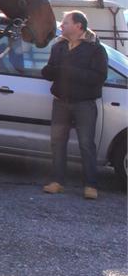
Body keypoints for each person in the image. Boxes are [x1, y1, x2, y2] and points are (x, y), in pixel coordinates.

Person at [41, 11, 107, 200]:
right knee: (57, 143)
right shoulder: (58, 46)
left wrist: (70, 71)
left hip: (84, 103)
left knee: (86, 144)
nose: (61, 26)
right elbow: (51, 70)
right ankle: (57, 182)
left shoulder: (95, 49)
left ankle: (90, 185)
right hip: (61, 102)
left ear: (78, 26)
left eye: (65, 23)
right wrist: (49, 71)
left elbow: (99, 77)